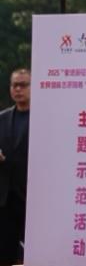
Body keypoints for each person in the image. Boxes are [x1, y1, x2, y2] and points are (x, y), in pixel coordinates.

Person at [0, 69, 30, 266]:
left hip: (32, 196)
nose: (18, 89)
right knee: (5, 251)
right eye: (14, 85)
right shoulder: (2, 118)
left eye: (23, 85)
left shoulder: (44, 119)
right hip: (5, 197)